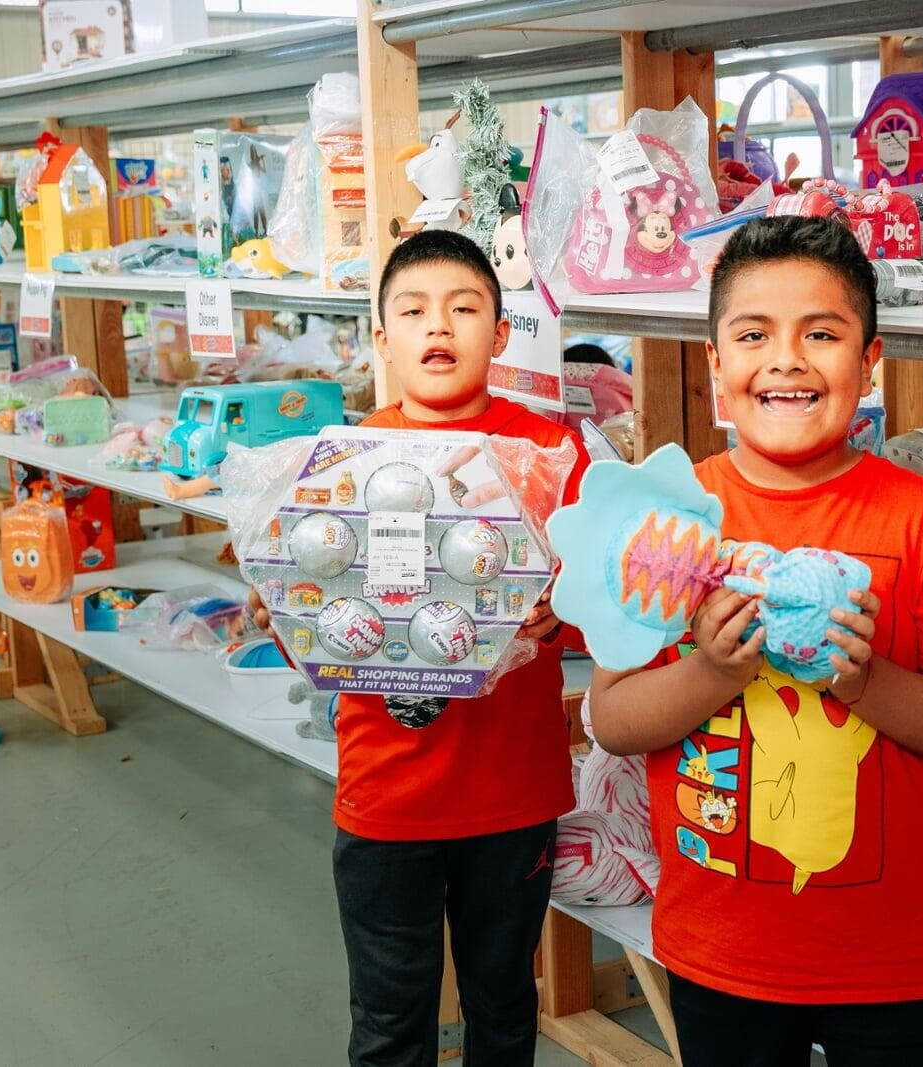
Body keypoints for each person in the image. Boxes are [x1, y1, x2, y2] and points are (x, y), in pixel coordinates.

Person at [587, 216, 923, 1066]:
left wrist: (864, 681)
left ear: (871, 362)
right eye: (753, 334)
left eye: (822, 333)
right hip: (721, 953)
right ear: (714, 367)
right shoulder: (668, 520)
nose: (785, 359)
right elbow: (613, 720)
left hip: (894, 962)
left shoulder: (921, 518)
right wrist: (711, 669)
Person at [250, 230, 588, 1067]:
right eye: (412, 310)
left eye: (465, 307)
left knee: (504, 1009)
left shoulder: (548, 457)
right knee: (389, 1020)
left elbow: (603, 607)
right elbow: (320, 610)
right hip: (385, 791)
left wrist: (562, 611)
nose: (439, 325)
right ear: (381, 339)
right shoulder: (340, 462)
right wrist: (290, 613)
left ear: (500, 333)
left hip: (512, 792)